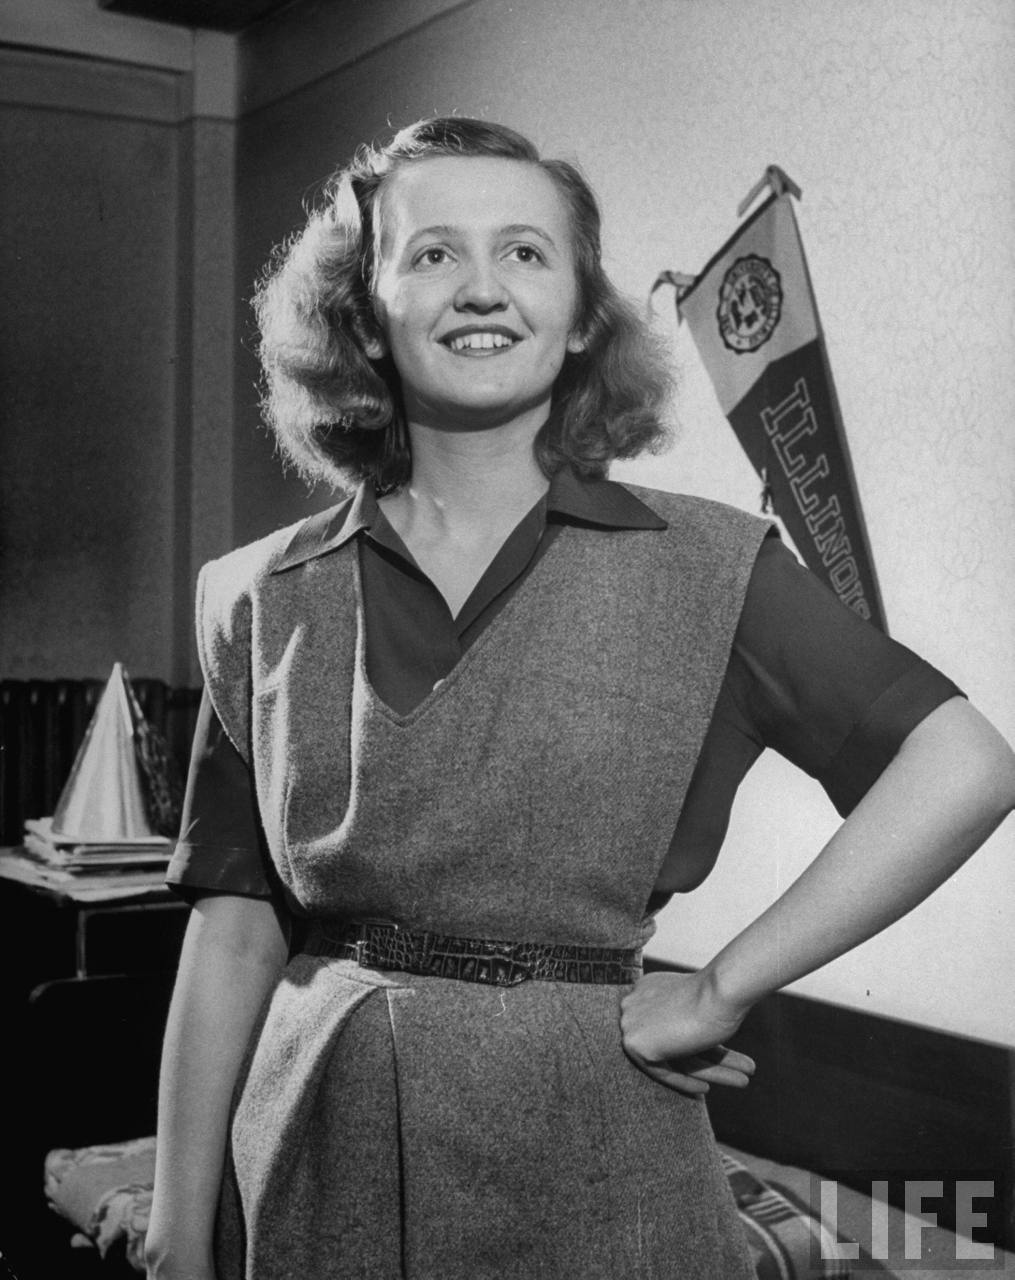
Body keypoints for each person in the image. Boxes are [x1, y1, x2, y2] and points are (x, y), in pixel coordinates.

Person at [144, 117, 1015, 1280]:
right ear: (364, 310)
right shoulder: (256, 594)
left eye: (524, 253)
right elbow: (235, 930)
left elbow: (963, 763)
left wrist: (720, 983)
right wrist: (174, 1227)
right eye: (433, 253)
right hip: (311, 1139)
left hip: (598, 1144)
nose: (481, 288)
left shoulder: (712, 567)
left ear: (579, 316)